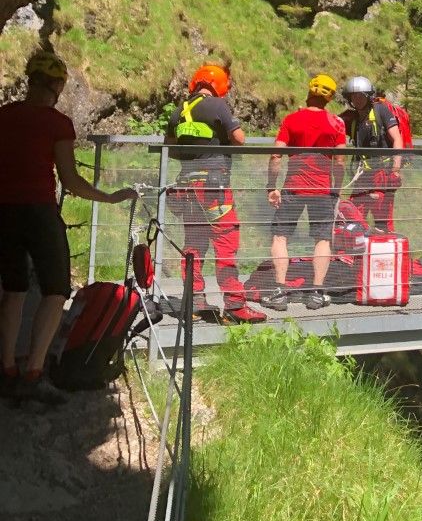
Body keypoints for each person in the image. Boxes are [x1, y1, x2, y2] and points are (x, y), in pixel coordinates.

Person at [0, 51, 137, 404]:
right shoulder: (57, 124)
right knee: (56, 291)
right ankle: (33, 373)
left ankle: (6, 371)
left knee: (13, 291)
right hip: (39, 214)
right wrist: (109, 198)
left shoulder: (4, 116)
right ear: (58, 85)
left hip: (4, 213)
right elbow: (71, 182)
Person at [165, 63, 264, 324]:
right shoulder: (218, 106)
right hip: (213, 189)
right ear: (218, 85)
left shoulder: (178, 112)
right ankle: (234, 305)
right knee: (226, 244)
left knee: (194, 246)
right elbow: (239, 138)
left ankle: (195, 304)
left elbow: (170, 149)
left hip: (186, 188)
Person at [263, 74, 347, 312]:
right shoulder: (336, 123)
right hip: (322, 189)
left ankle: (279, 293)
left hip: (293, 187)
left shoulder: (292, 119)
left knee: (280, 237)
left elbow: (276, 155)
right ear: (330, 97)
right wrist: (337, 189)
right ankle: (317, 293)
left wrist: (272, 186)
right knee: (322, 239)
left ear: (309, 91)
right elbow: (339, 161)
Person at [340, 76, 403, 232]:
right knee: (354, 214)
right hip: (362, 174)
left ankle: (387, 249)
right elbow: (330, 123)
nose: (357, 99)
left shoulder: (381, 110)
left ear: (368, 96)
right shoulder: (352, 118)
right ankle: (356, 251)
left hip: (382, 173)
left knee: (382, 216)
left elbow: (397, 139)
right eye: (353, 96)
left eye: (360, 95)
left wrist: (395, 170)